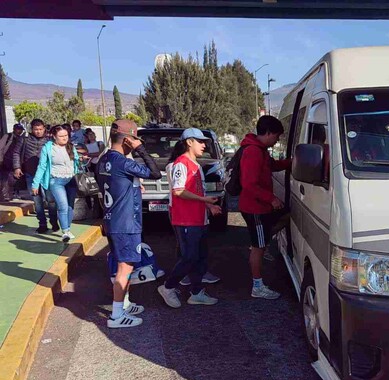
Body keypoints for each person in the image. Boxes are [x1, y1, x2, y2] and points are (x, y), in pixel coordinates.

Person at [97, 119, 161, 328]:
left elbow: (112, 184)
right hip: (126, 222)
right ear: (127, 140)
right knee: (125, 268)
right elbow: (155, 172)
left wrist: (132, 187)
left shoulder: (103, 160)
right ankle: (116, 315)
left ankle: (124, 303)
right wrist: (141, 149)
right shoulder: (123, 162)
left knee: (122, 264)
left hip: (112, 219)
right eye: (134, 139)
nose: (135, 143)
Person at [158, 128, 223, 309]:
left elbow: (196, 191)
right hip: (186, 220)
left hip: (199, 219)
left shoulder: (195, 165)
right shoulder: (181, 164)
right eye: (200, 141)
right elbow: (178, 191)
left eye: (204, 142)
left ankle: (196, 292)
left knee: (200, 257)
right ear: (189, 142)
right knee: (189, 257)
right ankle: (168, 287)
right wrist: (204, 200)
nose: (204, 145)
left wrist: (208, 206)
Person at [239, 115, 291, 300]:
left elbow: (272, 166)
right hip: (255, 209)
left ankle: (262, 243)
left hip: (259, 207)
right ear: (268, 133)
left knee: (284, 218)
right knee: (257, 247)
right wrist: (271, 199)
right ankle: (257, 286)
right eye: (276, 136)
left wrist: (291, 162)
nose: (277, 141)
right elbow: (249, 184)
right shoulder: (253, 151)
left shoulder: (260, 150)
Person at [31, 125, 82, 242]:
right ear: (54, 136)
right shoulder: (48, 148)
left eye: (66, 135)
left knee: (70, 206)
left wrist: (79, 160)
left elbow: (76, 163)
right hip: (56, 181)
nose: (64, 138)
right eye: (61, 136)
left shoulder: (71, 147)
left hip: (71, 180)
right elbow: (42, 166)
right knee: (63, 206)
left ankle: (68, 228)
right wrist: (35, 183)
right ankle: (65, 232)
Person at [12, 119, 59, 233]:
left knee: (51, 200)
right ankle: (42, 224)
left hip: (47, 175)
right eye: (35, 129)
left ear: (44, 129)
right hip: (30, 174)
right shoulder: (24, 140)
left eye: (40, 129)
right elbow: (16, 153)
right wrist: (17, 167)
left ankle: (54, 221)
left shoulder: (50, 141)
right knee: (37, 201)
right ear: (31, 130)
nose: (38, 131)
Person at [0, 123, 25, 202]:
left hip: (15, 161)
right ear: (14, 129)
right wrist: (0, 159)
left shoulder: (21, 138)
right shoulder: (7, 136)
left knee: (14, 178)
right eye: (18, 129)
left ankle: (14, 194)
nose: (19, 131)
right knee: (5, 178)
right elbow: (1, 147)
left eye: (21, 130)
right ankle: (5, 196)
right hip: (6, 160)